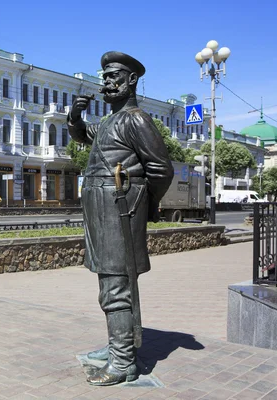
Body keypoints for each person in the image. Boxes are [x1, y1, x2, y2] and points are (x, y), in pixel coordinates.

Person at [67, 51, 173, 386]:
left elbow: (161, 169)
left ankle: (123, 360)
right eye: (105, 77)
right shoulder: (112, 121)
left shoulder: (136, 119)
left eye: (115, 76)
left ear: (132, 80)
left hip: (119, 207)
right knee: (108, 279)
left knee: (116, 284)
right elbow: (85, 136)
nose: (107, 82)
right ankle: (118, 346)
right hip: (102, 207)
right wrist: (74, 117)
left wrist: (142, 202)